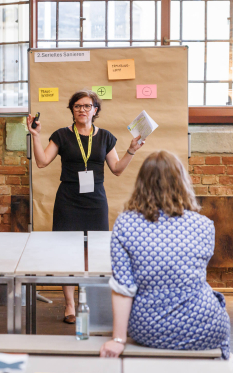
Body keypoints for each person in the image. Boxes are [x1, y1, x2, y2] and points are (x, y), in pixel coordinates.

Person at [27, 89, 146, 324]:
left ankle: (88, 297)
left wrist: (131, 150)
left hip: (95, 201)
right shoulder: (62, 135)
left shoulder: (105, 137)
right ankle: (70, 303)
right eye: (77, 106)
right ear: (72, 110)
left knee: (94, 251)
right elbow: (41, 162)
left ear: (95, 110)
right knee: (66, 251)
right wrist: (35, 135)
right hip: (68, 200)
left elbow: (117, 169)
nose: (82, 110)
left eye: (87, 106)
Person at [99, 151, 231, 359]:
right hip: (205, 326)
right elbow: (191, 277)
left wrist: (118, 340)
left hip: (150, 329)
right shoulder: (204, 225)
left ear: (141, 183)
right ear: (182, 183)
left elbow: (123, 288)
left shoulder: (125, 224)